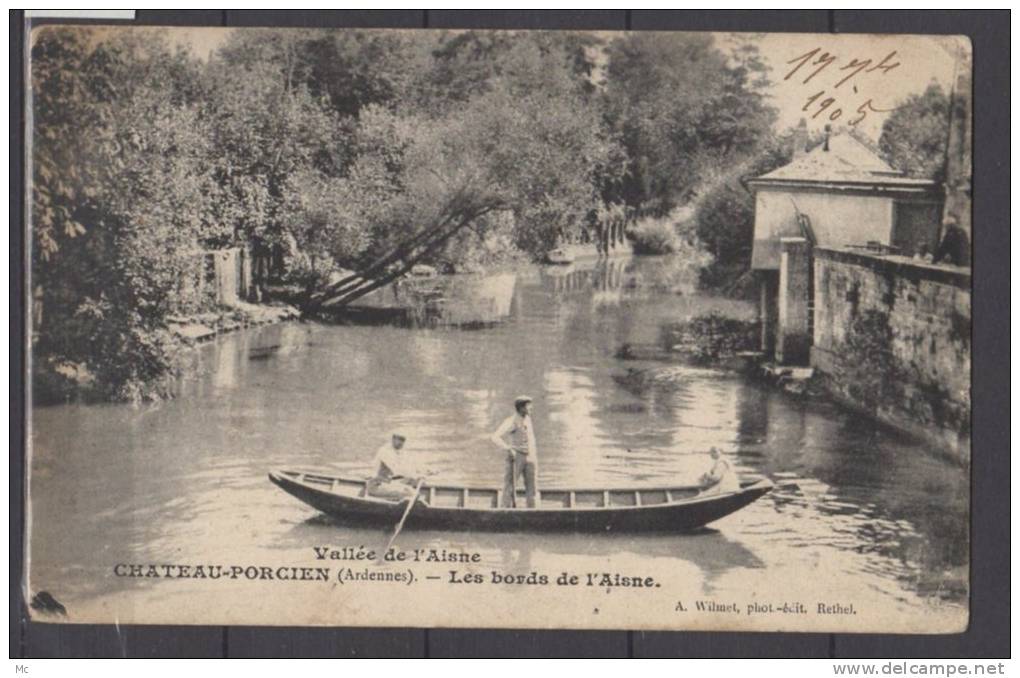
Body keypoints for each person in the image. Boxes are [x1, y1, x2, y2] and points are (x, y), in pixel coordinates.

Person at [490, 396, 538, 508]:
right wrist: (508, 448)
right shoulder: (511, 421)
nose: (531, 408)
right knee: (509, 487)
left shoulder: (528, 419)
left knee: (532, 489)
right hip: (516, 458)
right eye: (528, 406)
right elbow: (495, 437)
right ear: (521, 408)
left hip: (530, 457)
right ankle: (504, 512)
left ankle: (533, 513)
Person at [366, 433, 427, 501]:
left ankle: (397, 498)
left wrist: (424, 471)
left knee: (414, 481)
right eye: (400, 439)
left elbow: (410, 464)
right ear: (393, 439)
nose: (402, 443)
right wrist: (416, 476)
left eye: (403, 440)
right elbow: (397, 469)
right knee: (413, 493)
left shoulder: (397, 451)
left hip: (387, 483)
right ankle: (395, 502)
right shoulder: (385, 451)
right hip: (376, 486)